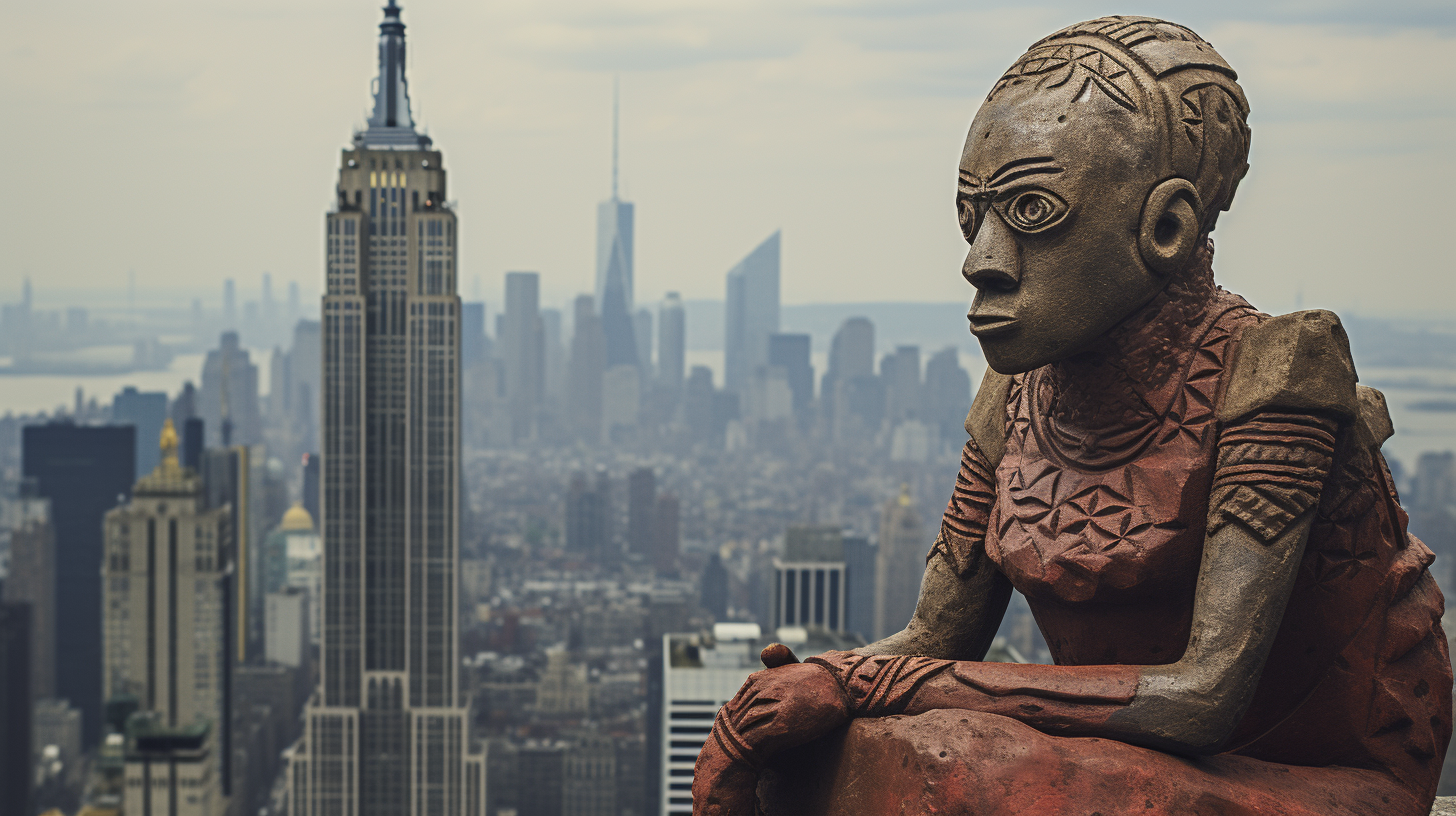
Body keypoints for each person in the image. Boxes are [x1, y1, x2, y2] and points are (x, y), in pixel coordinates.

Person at [694, 17, 1452, 816]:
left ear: (1166, 227)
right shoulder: (1013, 396)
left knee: (959, 763)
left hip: (1309, 778)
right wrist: (818, 684)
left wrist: (866, 680)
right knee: (836, 746)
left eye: (1030, 210)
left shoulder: (1274, 374)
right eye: (971, 215)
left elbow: (1203, 697)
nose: (980, 262)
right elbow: (932, 639)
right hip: (1127, 757)